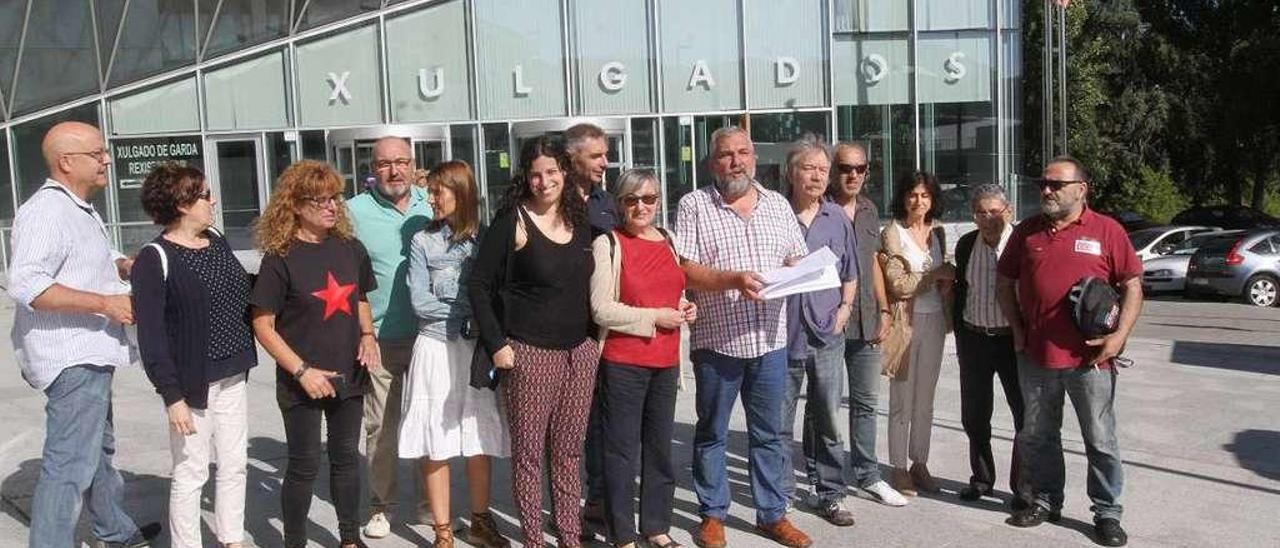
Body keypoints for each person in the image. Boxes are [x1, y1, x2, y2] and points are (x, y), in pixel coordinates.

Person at [7, 121, 162, 548]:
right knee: (70, 463)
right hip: (70, 356)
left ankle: (113, 530)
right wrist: (105, 303)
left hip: (90, 351)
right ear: (65, 161)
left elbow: (82, 255)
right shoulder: (46, 211)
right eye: (97, 154)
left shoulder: (77, 208)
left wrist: (121, 264)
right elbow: (26, 284)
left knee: (98, 452)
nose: (107, 160)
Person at [675, 126, 813, 548]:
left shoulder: (777, 205)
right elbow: (685, 268)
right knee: (713, 431)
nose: (736, 161)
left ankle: (772, 514)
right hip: (718, 342)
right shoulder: (695, 205)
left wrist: (801, 270)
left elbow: (796, 257)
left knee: (769, 434)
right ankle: (713, 514)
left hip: (770, 341)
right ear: (712, 162)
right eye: (726, 155)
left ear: (754, 157)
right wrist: (732, 279)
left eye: (743, 153)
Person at [999, 157, 1142, 547]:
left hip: (1091, 361)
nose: (1046, 190)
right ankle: (1046, 500)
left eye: (1056, 185)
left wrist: (1119, 337)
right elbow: (1004, 281)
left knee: (1100, 439)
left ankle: (1107, 513)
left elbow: (1132, 284)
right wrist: (1017, 329)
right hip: (1036, 357)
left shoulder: (1107, 230)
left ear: (1081, 189)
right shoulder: (1027, 232)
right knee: (1040, 435)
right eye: (1043, 184)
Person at [469, 136, 596, 547]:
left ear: (564, 173)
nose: (543, 182)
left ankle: (570, 537)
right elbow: (479, 285)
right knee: (528, 456)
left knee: (568, 452)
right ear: (526, 177)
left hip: (579, 351)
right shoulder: (512, 222)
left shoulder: (582, 219)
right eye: (535, 174)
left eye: (551, 173)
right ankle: (533, 540)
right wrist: (497, 344)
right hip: (529, 352)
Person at [249, 160, 380, 548]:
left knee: (345, 460)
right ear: (295, 205)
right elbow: (263, 326)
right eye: (320, 200)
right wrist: (302, 371)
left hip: (348, 374)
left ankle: (350, 538)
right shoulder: (279, 258)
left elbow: (359, 298)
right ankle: (295, 541)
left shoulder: (350, 249)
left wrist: (369, 335)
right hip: (300, 380)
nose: (331, 207)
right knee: (304, 466)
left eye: (334, 198)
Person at [132, 164, 257, 548]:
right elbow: (151, 336)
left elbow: (239, 290)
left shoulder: (216, 239)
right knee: (191, 471)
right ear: (183, 204)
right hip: (191, 385)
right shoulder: (155, 258)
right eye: (205, 194)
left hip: (234, 371)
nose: (213, 200)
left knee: (234, 464)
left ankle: (232, 539)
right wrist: (172, 397)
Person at [400, 161, 511, 548]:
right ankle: (443, 530)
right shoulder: (422, 241)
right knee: (437, 438)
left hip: (475, 351)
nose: (429, 199)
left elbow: (497, 293)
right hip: (434, 347)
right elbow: (420, 301)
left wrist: (478, 320)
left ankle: (480, 521)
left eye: (436, 192)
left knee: (477, 435)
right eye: (429, 191)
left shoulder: (485, 240)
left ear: (460, 192)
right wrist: (467, 314)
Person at [589, 169, 695, 548]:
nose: (641, 206)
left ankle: (656, 526)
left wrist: (684, 307)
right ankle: (622, 536)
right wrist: (654, 318)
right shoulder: (609, 244)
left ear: (658, 202)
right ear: (620, 204)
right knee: (621, 453)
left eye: (648, 198)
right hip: (623, 363)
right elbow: (601, 309)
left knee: (660, 450)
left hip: (665, 363)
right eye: (632, 199)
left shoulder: (668, 240)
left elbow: (672, 291)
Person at [346, 136, 433, 538]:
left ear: (413, 164)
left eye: (401, 162)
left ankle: (430, 502)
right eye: (384, 164)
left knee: (428, 422)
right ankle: (382, 506)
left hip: (429, 337)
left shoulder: (431, 203)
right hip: (378, 337)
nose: (394, 171)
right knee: (380, 426)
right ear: (372, 167)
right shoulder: (353, 213)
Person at [777, 138, 859, 527]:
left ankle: (829, 493)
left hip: (826, 332)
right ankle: (779, 497)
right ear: (792, 172)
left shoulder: (837, 218)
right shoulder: (773, 214)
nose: (817, 175)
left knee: (827, 415)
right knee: (778, 420)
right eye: (808, 168)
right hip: (781, 334)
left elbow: (851, 272)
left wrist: (845, 309)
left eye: (823, 170)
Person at [827, 142, 909, 507]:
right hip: (828, 321)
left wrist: (885, 308)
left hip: (867, 320)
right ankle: (822, 479)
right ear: (832, 170)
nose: (853, 175)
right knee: (824, 404)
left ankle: (868, 475)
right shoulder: (818, 208)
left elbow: (873, 261)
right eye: (846, 168)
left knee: (865, 402)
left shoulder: (868, 210)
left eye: (861, 168)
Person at [878, 170, 955, 497]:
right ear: (903, 197)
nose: (918, 201)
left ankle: (919, 462)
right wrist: (936, 273)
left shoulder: (937, 234)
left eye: (924, 195)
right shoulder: (892, 233)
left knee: (926, 399)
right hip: (905, 325)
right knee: (902, 400)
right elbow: (898, 284)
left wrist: (944, 281)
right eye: (912, 194)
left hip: (935, 320)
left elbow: (946, 280)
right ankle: (898, 466)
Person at [952, 184, 1028, 509]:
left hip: (1013, 342)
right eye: (981, 212)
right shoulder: (966, 244)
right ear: (974, 216)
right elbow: (961, 290)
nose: (988, 218)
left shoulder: (1022, 245)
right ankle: (982, 480)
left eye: (994, 211)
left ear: (1008, 211)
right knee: (975, 416)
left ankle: (1022, 489)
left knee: (1023, 416)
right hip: (974, 339)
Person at [567, 122, 619, 532]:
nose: (606, 161)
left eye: (606, 154)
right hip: (558, 330)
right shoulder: (549, 199)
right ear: (573, 157)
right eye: (597, 155)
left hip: (601, 330)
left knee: (602, 422)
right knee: (567, 428)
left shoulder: (608, 203)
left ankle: (598, 503)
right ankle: (568, 510)